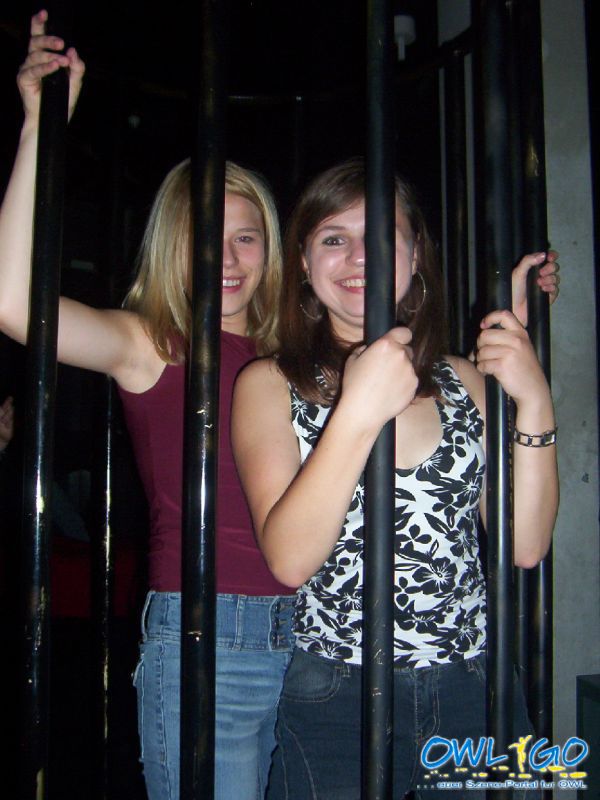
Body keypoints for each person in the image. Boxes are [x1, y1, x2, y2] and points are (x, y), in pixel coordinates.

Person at [0, 11, 295, 800]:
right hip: (209, 638)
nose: (228, 257)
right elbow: (15, 304)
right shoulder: (152, 343)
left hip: (323, 638)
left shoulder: (297, 355)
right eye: (207, 235)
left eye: (246, 237)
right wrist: (40, 129)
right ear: (173, 245)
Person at [232, 158, 559, 799]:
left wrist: (535, 399)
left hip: (473, 684)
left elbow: (525, 545)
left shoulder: (465, 379)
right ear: (303, 263)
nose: (359, 257)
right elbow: (290, 560)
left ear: (415, 257)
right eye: (334, 238)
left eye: (383, 237)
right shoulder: (269, 383)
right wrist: (358, 410)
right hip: (337, 693)